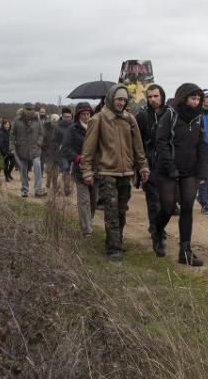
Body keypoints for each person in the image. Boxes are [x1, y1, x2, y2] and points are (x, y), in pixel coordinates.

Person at [81, 84, 150, 261]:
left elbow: (138, 146)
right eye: (119, 99)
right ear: (111, 99)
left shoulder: (129, 119)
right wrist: (87, 171)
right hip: (106, 171)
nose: (121, 102)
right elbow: (88, 149)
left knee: (121, 210)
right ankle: (113, 248)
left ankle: (116, 240)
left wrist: (142, 165)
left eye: (124, 100)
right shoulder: (98, 119)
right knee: (111, 210)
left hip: (126, 172)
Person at [152, 83, 208, 266]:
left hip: (190, 170)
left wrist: (203, 171)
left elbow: (202, 144)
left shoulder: (199, 118)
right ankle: (157, 230)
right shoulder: (170, 114)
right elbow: (161, 142)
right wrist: (170, 167)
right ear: (184, 98)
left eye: (199, 98)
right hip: (168, 169)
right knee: (168, 208)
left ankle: (185, 251)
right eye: (193, 98)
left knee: (187, 207)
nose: (197, 101)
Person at [136, 84, 167, 236]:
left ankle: (159, 224)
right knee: (153, 198)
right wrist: (141, 163)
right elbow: (137, 140)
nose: (153, 99)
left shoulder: (170, 114)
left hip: (167, 161)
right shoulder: (142, 116)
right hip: (150, 162)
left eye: (156, 96)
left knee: (166, 199)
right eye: (150, 97)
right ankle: (155, 228)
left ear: (162, 96)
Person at [65, 102, 97, 236]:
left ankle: (88, 221)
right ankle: (86, 230)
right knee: (84, 200)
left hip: (96, 169)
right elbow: (66, 149)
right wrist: (77, 158)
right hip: (80, 170)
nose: (86, 116)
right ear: (78, 115)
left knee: (93, 200)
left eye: (88, 114)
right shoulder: (72, 129)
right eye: (83, 114)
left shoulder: (96, 127)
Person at [11, 103, 44, 197]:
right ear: (24, 109)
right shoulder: (17, 120)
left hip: (35, 149)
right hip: (22, 149)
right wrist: (12, 147)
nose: (29, 111)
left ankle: (38, 190)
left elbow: (42, 133)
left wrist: (39, 143)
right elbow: (12, 135)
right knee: (23, 169)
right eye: (27, 109)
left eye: (31, 109)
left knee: (37, 167)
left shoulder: (37, 120)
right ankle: (24, 189)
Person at [54, 107, 74, 196]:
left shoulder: (74, 126)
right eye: (66, 117)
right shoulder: (57, 127)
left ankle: (65, 188)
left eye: (69, 117)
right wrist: (58, 146)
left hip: (72, 152)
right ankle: (63, 189)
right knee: (65, 169)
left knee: (69, 171)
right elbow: (53, 140)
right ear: (62, 117)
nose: (67, 119)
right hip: (61, 153)